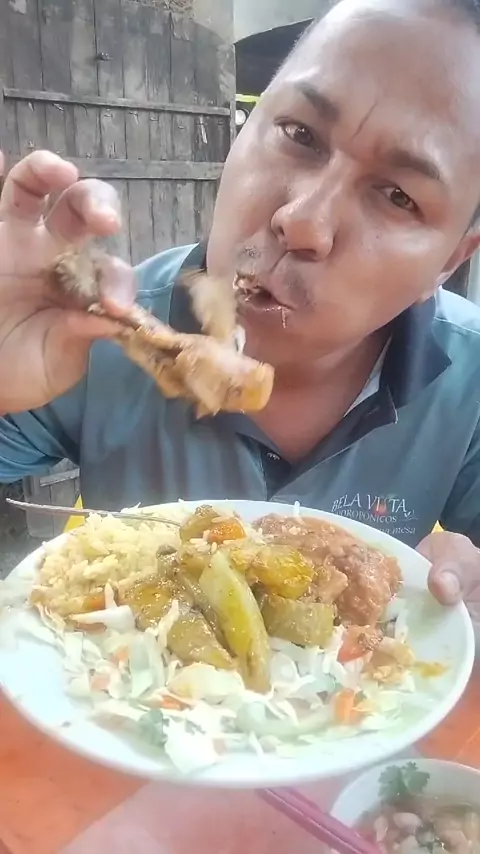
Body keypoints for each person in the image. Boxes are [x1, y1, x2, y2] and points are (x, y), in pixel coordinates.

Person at [0, 0, 479, 611]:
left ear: (448, 262)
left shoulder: (469, 380)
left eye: (397, 195)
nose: (301, 221)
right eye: (299, 134)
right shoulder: (89, 329)